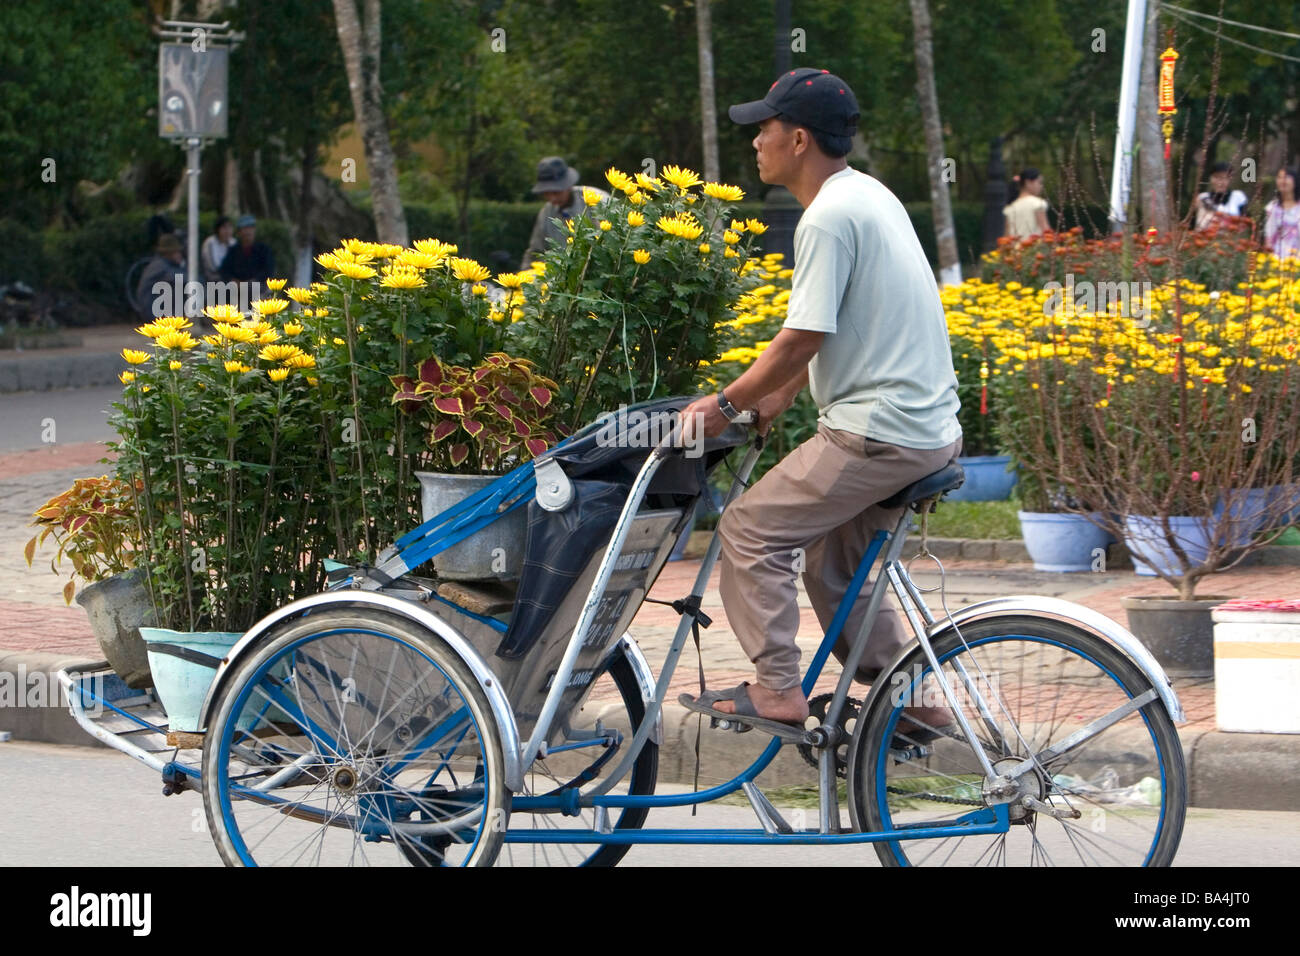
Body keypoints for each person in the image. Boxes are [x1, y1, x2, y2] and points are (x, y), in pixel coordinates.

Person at [679, 68, 963, 732]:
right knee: (831, 565)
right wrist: (772, 401)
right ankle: (916, 699)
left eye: (765, 128)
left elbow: (801, 337)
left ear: (798, 138)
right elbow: (848, 329)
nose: (756, 142)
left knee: (748, 530)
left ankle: (777, 689)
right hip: (922, 426)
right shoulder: (867, 197)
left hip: (880, 431)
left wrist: (721, 406)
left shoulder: (829, 219)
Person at [520, 157, 608, 269]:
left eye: (556, 192)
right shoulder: (546, 212)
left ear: (568, 185)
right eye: (546, 193)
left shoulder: (598, 200)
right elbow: (535, 252)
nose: (552, 198)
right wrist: (523, 280)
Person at [218, 214, 275, 297]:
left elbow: (268, 271)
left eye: (250, 228)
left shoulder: (264, 250)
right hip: (236, 288)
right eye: (244, 229)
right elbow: (224, 271)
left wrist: (252, 282)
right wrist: (234, 281)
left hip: (258, 287)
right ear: (239, 232)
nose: (248, 232)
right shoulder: (233, 251)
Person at [136, 233, 186, 318]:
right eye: (176, 252)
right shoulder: (161, 266)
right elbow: (184, 278)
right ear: (169, 253)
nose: (179, 255)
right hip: (153, 311)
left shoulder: (160, 263)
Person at [1195, 161, 1249, 231]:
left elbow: (1246, 222)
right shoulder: (1202, 198)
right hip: (1205, 239)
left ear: (1230, 179)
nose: (1221, 182)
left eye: (1225, 178)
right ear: (1210, 178)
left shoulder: (1239, 197)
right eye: (1217, 177)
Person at [1263, 165, 1300, 260]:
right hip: (1277, 260)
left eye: (1286, 177)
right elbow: (1269, 237)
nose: (1282, 181)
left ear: (1295, 181)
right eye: (1279, 177)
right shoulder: (1272, 207)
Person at [1003, 168, 1050, 238]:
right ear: (1028, 182)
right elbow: (1045, 230)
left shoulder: (1010, 207)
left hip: (1017, 248)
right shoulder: (1038, 203)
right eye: (1039, 182)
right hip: (1035, 247)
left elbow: (1007, 235)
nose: (1041, 186)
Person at [201, 216, 236, 283]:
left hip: (232, 277)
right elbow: (212, 266)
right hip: (214, 279)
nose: (227, 231)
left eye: (229, 227)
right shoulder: (210, 243)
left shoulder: (233, 242)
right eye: (224, 228)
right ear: (218, 229)